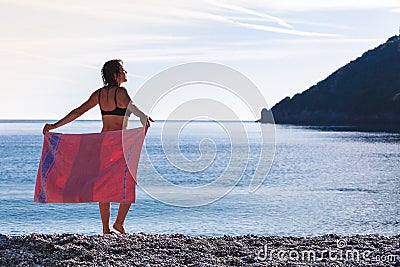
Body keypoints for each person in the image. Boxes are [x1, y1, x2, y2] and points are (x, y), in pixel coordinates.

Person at [42, 59, 154, 235]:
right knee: (129, 179)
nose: (126, 73)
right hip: (118, 143)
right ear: (116, 75)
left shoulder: (99, 94)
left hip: (103, 143)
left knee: (103, 184)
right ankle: (119, 223)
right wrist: (143, 116)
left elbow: (78, 111)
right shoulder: (121, 92)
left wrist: (55, 126)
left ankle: (105, 229)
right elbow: (132, 107)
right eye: (123, 70)